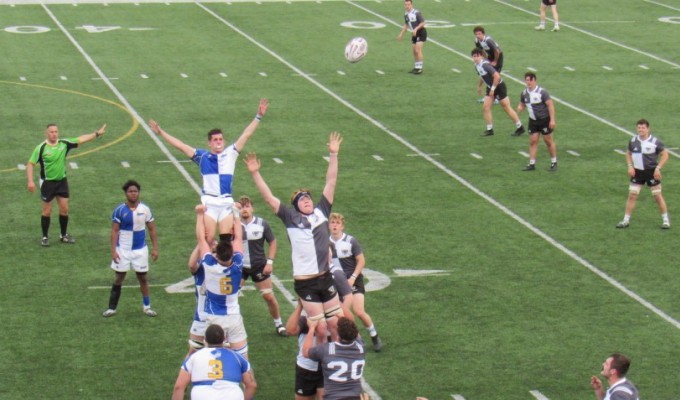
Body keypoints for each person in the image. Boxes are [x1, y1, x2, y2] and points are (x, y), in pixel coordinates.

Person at [245, 132, 345, 343]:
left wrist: (333, 154)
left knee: (335, 323)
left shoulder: (322, 211)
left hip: (325, 276)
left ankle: (337, 358)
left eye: (308, 197)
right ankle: (321, 365)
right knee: (319, 328)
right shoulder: (290, 217)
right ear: (296, 205)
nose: (307, 200)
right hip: (305, 282)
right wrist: (255, 174)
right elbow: (269, 198)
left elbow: (331, 182)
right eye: (302, 199)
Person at [148, 98, 268, 245]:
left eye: (221, 139)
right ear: (209, 143)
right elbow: (181, 146)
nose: (219, 142)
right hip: (209, 203)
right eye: (215, 140)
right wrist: (161, 133)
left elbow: (246, 135)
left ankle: (225, 263)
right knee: (208, 239)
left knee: (226, 240)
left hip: (225, 202)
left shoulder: (231, 153)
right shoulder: (202, 156)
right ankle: (209, 263)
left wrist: (258, 116)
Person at [26, 123, 107, 246]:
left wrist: (96, 134)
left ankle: (63, 235)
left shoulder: (63, 144)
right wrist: (30, 181)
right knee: (47, 211)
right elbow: (30, 164)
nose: (54, 134)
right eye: (51, 132)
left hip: (62, 181)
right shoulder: (41, 148)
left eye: (56, 131)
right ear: (46, 133)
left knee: (64, 209)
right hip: (47, 183)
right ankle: (44, 237)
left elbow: (81, 139)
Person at [193, 204, 250, 358]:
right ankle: (247, 381)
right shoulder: (237, 264)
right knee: (243, 357)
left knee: (211, 356)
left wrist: (199, 215)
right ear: (232, 254)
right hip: (233, 316)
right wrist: (236, 215)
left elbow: (201, 239)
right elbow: (238, 237)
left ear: (216, 255)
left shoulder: (210, 265)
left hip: (214, 318)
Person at [102, 180, 159, 317]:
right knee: (119, 277)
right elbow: (114, 231)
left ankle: (147, 307)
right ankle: (112, 308)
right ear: (126, 193)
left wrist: (155, 248)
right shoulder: (119, 210)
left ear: (138, 193)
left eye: (135, 191)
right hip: (123, 251)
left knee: (143, 278)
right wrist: (113, 250)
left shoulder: (145, 209)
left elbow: (151, 229)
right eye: (130, 191)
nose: (133, 194)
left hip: (140, 250)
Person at [329, 213, 383, 352]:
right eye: (332, 222)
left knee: (359, 311)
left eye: (337, 223)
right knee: (342, 312)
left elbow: (361, 261)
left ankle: (374, 335)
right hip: (337, 282)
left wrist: (353, 277)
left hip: (353, 280)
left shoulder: (350, 241)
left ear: (342, 226)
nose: (334, 225)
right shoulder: (326, 242)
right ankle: (357, 338)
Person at [237, 195, 287, 337]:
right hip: (240, 267)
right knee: (231, 297)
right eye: (241, 207)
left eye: (247, 206)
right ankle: (230, 329)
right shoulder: (234, 225)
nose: (244, 210)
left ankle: (279, 324)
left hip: (259, 266)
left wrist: (270, 261)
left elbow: (272, 242)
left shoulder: (261, 223)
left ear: (252, 208)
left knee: (269, 297)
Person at [172, 324, 256, 400]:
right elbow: (252, 385)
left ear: (205, 339)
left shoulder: (193, 358)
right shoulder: (238, 357)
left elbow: (179, 387)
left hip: (202, 396)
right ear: (224, 339)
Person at [616, 119, 670, 229]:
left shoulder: (655, 142)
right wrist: (630, 166)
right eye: (639, 128)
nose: (640, 130)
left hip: (651, 172)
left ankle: (665, 220)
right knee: (632, 195)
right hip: (638, 172)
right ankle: (626, 220)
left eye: (643, 128)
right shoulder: (633, 141)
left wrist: (658, 168)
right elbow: (628, 154)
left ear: (648, 129)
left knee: (657, 196)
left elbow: (665, 155)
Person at [303, 317, 366, 400]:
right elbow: (357, 335)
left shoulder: (326, 349)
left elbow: (305, 352)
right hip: (354, 397)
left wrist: (311, 329)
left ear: (338, 333)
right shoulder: (361, 347)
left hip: (333, 397)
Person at [471, 48, 525, 137]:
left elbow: (497, 76)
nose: (475, 58)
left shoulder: (485, 65)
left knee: (506, 107)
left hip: (499, 87)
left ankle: (520, 127)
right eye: (474, 56)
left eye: (477, 56)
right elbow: (482, 76)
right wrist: (479, 86)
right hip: (490, 87)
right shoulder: (476, 66)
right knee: (485, 108)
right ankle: (490, 129)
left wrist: (493, 89)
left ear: (481, 56)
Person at [517, 72, 557, 172]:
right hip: (533, 121)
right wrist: (520, 107)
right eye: (527, 80)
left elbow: (550, 105)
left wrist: (552, 120)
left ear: (535, 80)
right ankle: (532, 164)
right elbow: (522, 103)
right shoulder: (524, 93)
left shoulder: (542, 92)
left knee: (548, 141)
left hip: (544, 120)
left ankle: (554, 162)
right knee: (533, 142)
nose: (528, 82)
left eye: (530, 80)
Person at [286, 300, 324, 400]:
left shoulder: (332, 316)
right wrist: (299, 306)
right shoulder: (306, 319)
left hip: (326, 367)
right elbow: (290, 330)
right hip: (306, 368)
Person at [396, 0, 427, 75]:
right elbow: (406, 25)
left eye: (409, 5)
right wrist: (401, 34)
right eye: (406, 5)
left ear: (411, 5)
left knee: (417, 50)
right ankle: (416, 67)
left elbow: (423, 22)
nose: (407, 6)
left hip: (421, 32)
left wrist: (416, 29)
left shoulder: (416, 13)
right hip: (414, 34)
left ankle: (420, 68)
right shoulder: (406, 14)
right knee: (414, 51)